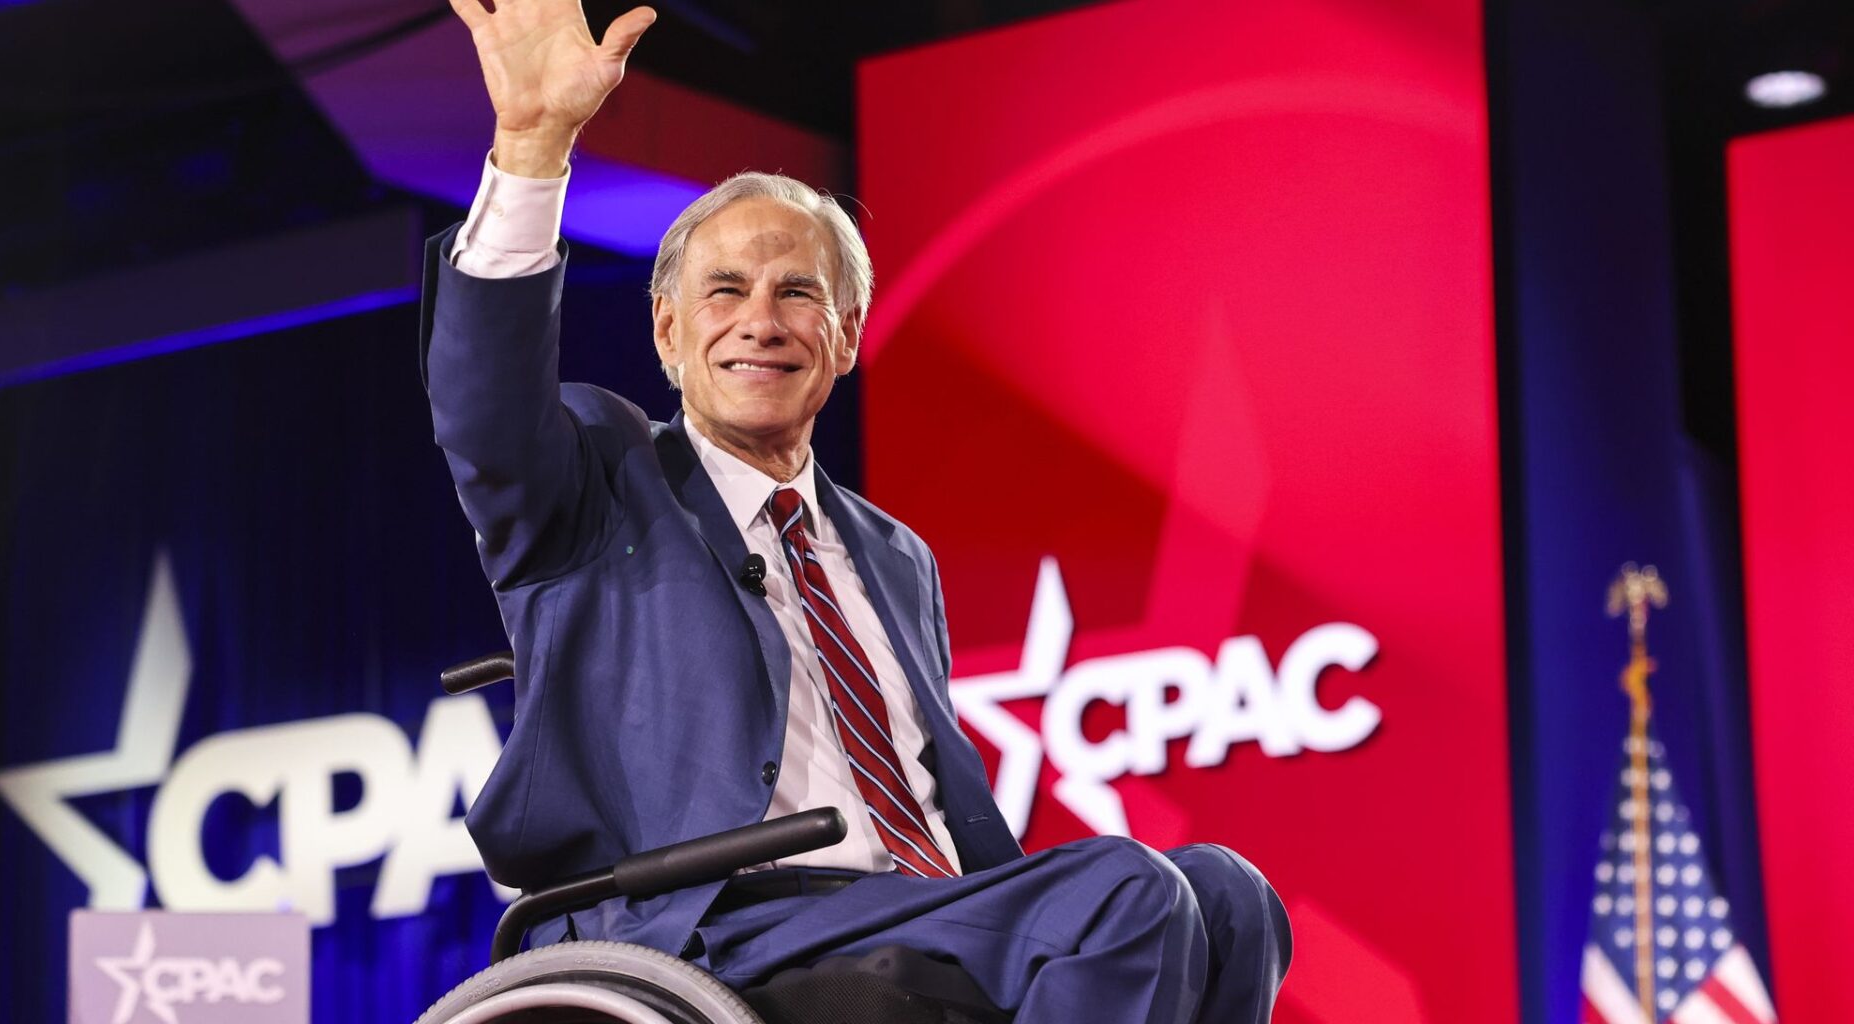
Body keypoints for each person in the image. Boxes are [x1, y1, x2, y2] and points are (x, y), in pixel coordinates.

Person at [423, 2, 1291, 1020]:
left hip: (918, 895)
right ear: (665, 332)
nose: (760, 320)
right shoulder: (600, 480)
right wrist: (533, 147)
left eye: (799, 293)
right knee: (1128, 895)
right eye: (724, 291)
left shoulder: (893, 553)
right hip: (715, 909)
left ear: (844, 336)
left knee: (1233, 894)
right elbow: (482, 406)